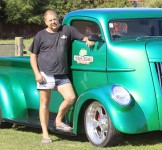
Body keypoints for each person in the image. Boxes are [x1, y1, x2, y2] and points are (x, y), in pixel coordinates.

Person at [29, 9, 94, 144]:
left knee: (71, 98)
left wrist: (88, 40)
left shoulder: (68, 30)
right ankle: (45, 135)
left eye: (55, 19)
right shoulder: (40, 35)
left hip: (61, 74)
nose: (54, 22)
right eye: (50, 20)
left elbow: (83, 37)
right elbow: (33, 56)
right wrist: (37, 73)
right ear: (45, 22)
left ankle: (58, 120)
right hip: (45, 74)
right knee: (44, 105)